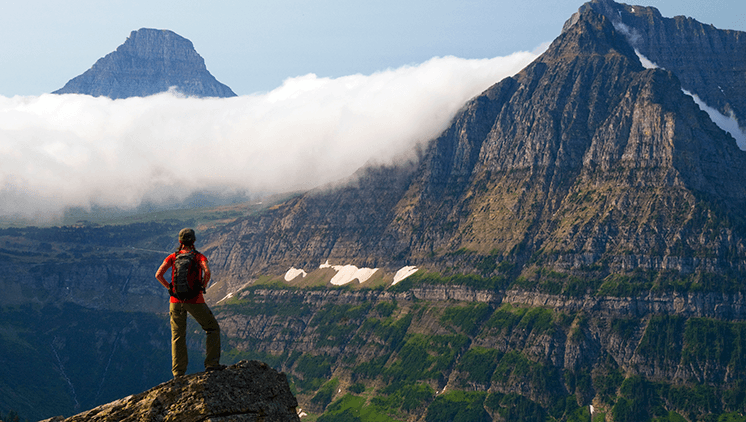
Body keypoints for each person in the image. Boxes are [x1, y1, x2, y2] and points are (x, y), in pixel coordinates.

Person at [155, 228, 225, 377]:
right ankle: (212, 364)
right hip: (195, 300)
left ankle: (178, 373)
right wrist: (203, 286)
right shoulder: (199, 257)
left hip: (175, 300)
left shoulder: (173, 257)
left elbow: (158, 274)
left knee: (178, 335)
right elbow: (207, 272)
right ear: (194, 241)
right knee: (212, 328)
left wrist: (170, 288)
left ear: (180, 241)